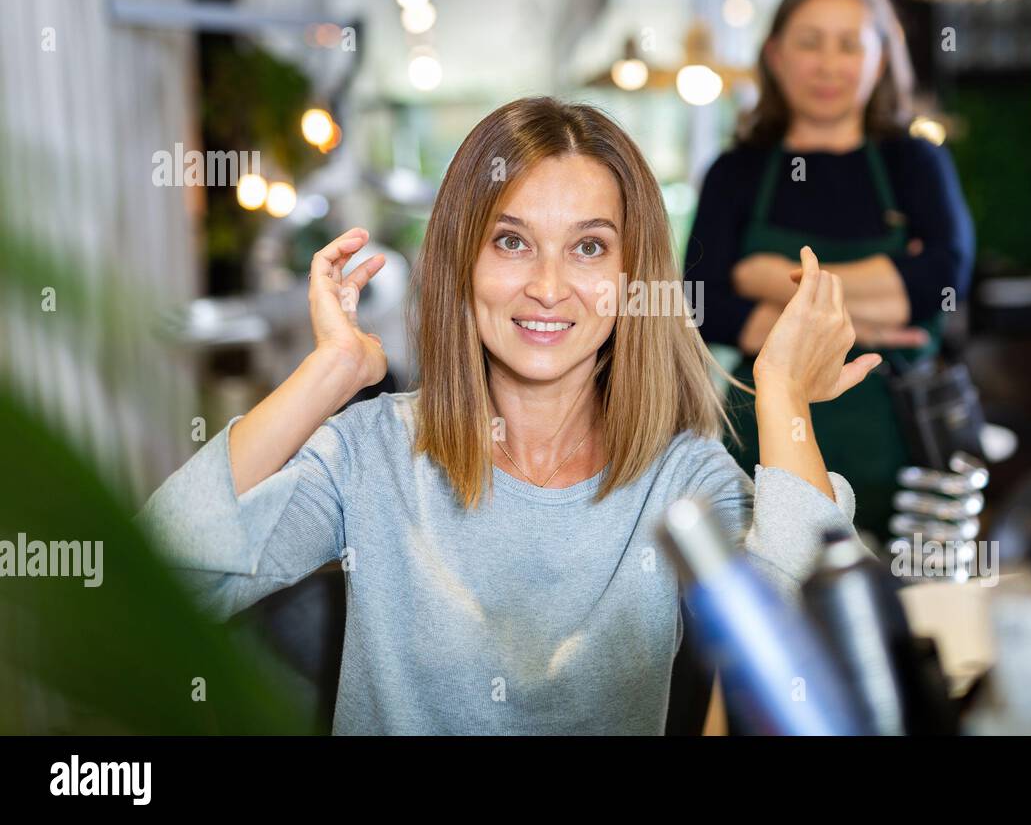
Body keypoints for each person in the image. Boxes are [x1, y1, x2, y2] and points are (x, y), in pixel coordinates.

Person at [139, 96, 879, 735]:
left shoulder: (681, 477)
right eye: (512, 241)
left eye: (589, 247)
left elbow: (816, 660)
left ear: (630, 280)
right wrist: (331, 371)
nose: (549, 286)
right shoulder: (372, 454)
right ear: (463, 261)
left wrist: (782, 397)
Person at [684, 0, 975, 542]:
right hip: (759, 438)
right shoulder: (735, 172)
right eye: (809, 42)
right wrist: (866, 313)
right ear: (775, 54)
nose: (828, 64)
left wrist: (766, 277)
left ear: (881, 57)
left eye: (849, 45)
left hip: (900, 442)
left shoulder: (914, 162)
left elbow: (945, 276)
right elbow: (699, 302)